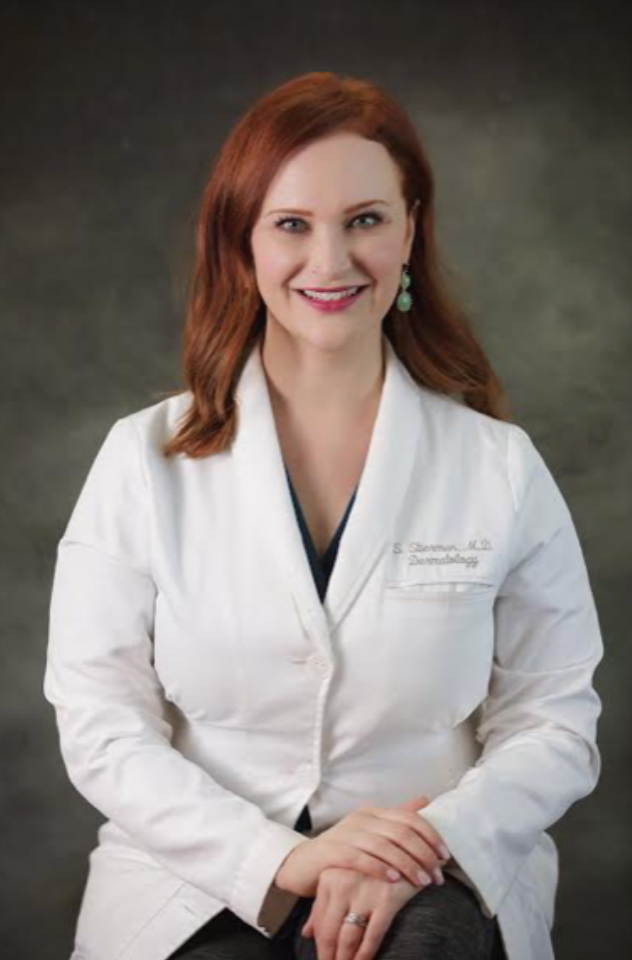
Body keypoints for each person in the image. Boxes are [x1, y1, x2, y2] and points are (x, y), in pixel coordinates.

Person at [44, 71, 604, 960]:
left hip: (430, 876)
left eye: (365, 220)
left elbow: (555, 719)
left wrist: (429, 843)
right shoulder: (142, 461)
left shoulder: (499, 468)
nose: (331, 261)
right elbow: (100, 722)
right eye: (292, 224)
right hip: (193, 882)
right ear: (243, 242)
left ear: (411, 229)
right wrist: (284, 859)